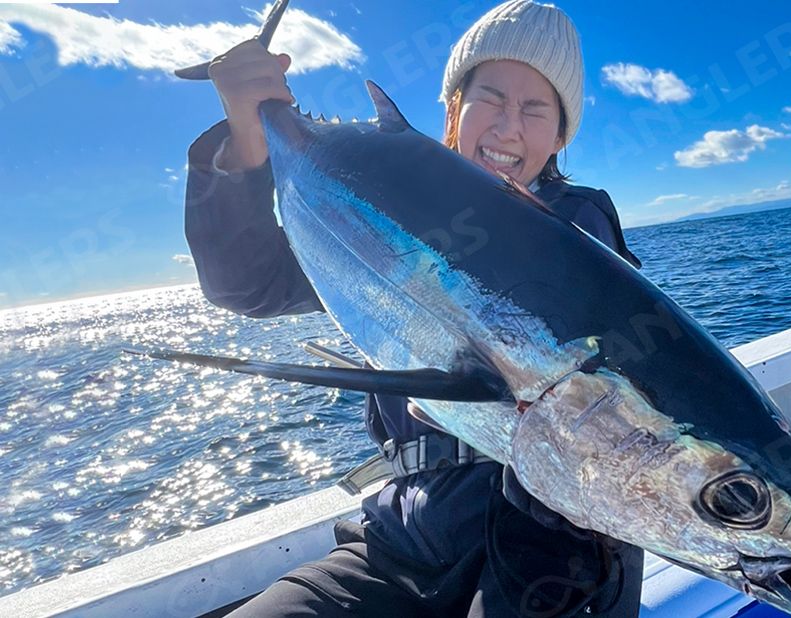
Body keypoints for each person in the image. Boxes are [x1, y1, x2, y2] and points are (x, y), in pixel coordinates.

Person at [184, 1, 644, 615]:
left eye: (536, 109)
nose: (510, 127)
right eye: (492, 99)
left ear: (561, 135)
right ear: (453, 110)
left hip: (552, 536)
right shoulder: (380, 212)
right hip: (403, 534)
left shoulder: (580, 226)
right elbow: (250, 285)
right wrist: (245, 141)